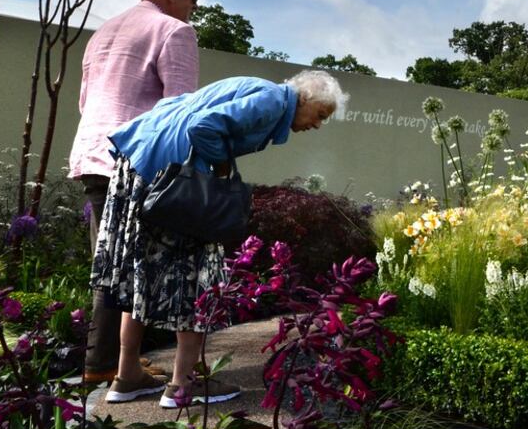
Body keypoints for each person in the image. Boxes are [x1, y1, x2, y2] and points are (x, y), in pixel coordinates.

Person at [93, 69, 346, 408]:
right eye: (321, 115)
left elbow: (177, 107)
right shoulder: (272, 100)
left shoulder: (254, 87)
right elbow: (204, 127)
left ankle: (127, 377)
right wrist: (223, 169)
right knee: (198, 278)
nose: (318, 125)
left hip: (141, 168)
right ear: (305, 98)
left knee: (142, 274)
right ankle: (183, 385)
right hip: (172, 185)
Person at [69, 0, 202, 392]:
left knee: (109, 261)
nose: (193, 8)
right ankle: (111, 365)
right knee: (137, 264)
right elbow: (178, 111)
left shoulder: (103, 32)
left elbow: (85, 101)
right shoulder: (174, 31)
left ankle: (110, 361)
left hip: (93, 153)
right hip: (136, 159)